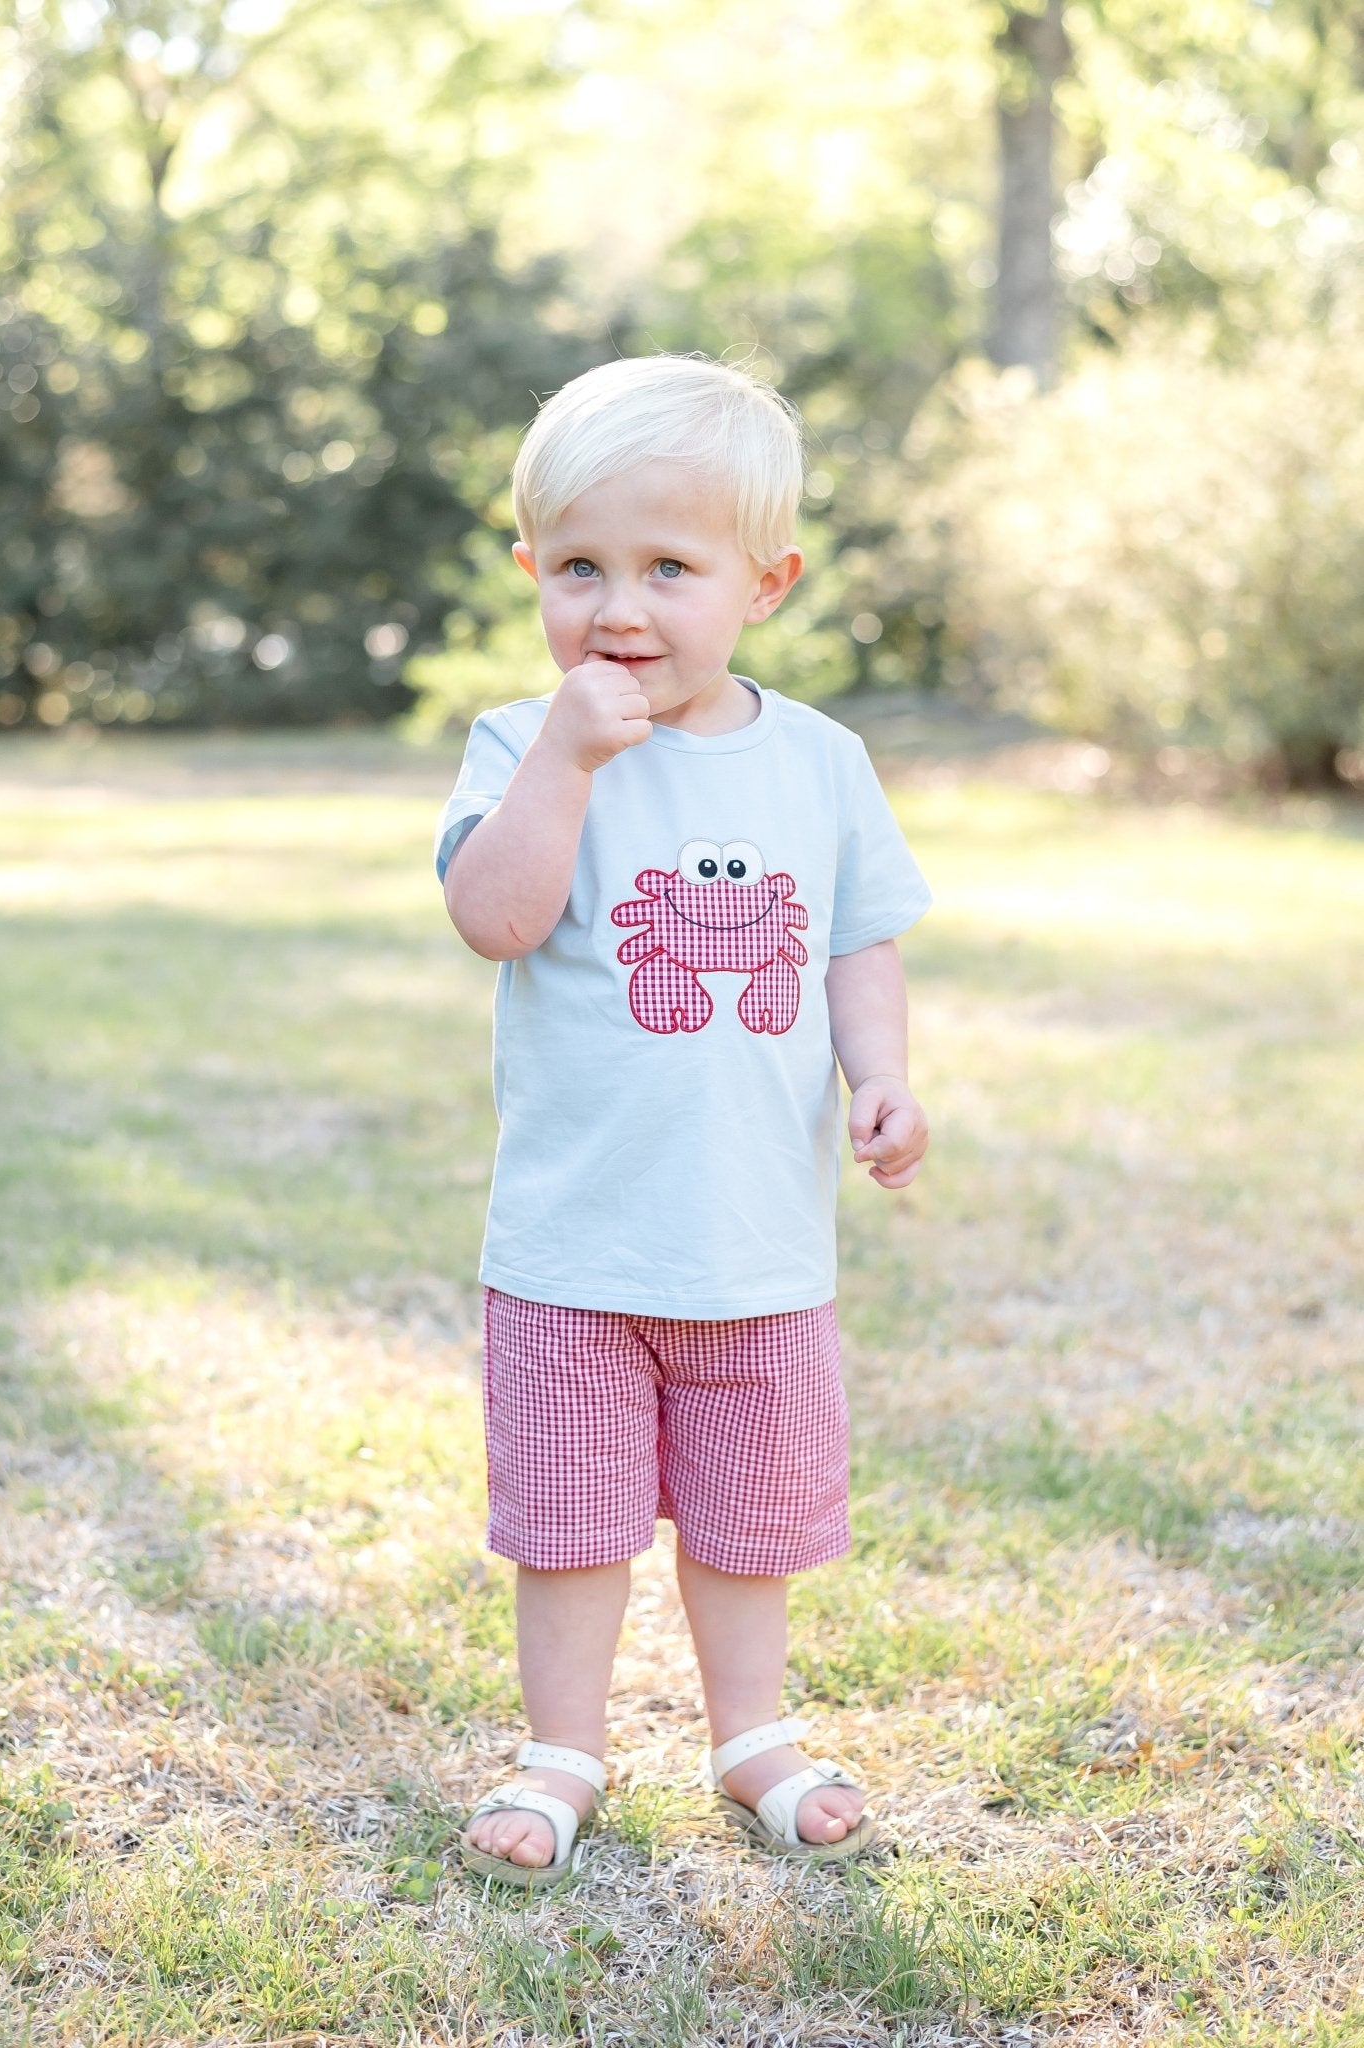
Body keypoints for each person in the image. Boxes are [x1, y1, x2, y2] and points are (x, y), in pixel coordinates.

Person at [434, 353, 932, 1884]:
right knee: (572, 1522)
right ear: (531, 573)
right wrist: (574, 764)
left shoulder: (819, 762)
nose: (621, 609)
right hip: (575, 1243)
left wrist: (882, 1074)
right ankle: (562, 1753)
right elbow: (494, 920)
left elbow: (859, 937)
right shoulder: (527, 745)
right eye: (580, 567)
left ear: (764, 583)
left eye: (670, 568)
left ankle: (751, 1736)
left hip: (754, 1243)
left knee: (751, 1515)